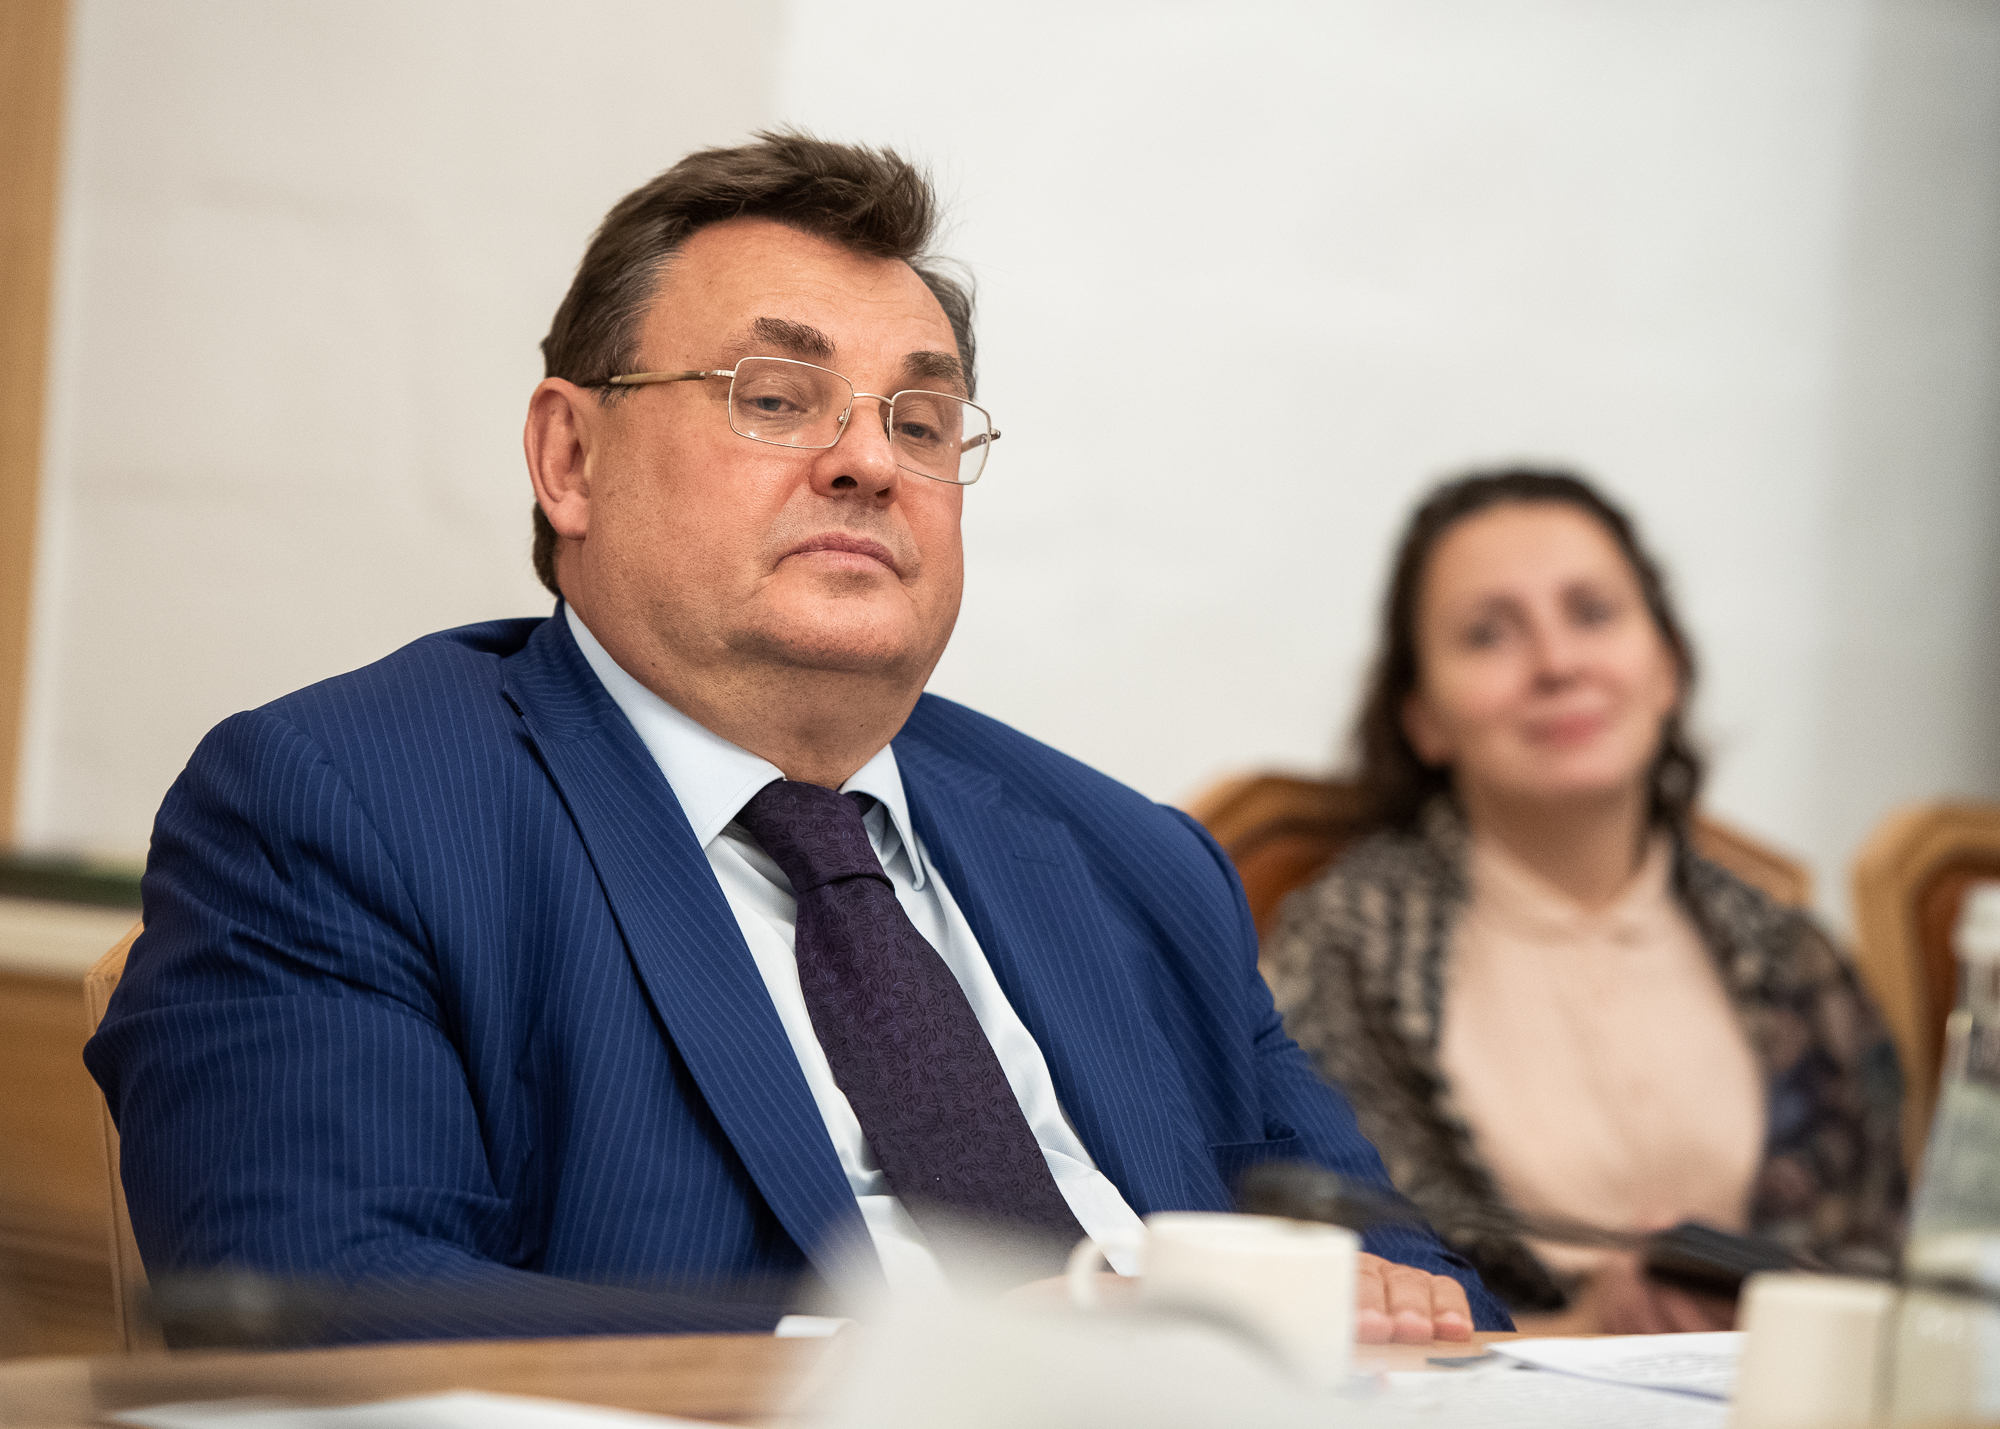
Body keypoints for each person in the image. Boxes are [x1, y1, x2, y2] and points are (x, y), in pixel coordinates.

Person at [84, 133, 1505, 1345]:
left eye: (924, 422)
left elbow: (1418, 1282)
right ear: (570, 458)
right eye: (774, 399)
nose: (869, 460)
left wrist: (1379, 1308)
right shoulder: (346, 806)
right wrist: (919, 1366)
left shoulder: (1136, 864)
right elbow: (314, 1299)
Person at [1265, 469, 1905, 1333]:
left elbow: (1889, 1285)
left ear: (1668, 667)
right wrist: (1581, 1331)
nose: (1558, 664)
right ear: (1423, 717)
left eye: (1593, 613)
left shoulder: (1796, 956)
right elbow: (1318, 1300)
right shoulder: (1343, 948)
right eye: (1489, 634)